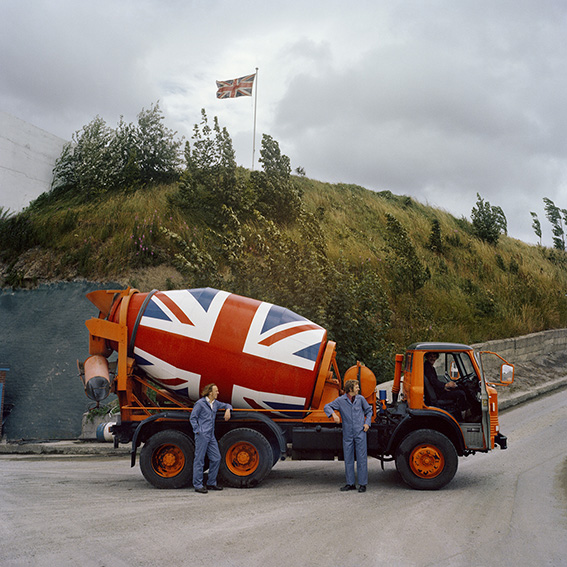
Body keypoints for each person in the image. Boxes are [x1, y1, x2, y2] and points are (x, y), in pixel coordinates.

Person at [324, 379, 372, 493]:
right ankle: (350, 484)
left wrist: (367, 423)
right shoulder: (341, 400)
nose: (358, 389)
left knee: (361, 458)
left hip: (360, 431)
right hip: (348, 433)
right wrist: (333, 414)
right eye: (356, 387)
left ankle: (362, 484)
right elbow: (327, 406)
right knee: (348, 458)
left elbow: (369, 411)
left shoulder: (360, 399)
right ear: (350, 389)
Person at [190, 383, 232, 494]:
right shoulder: (200, 404)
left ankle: (211, 483)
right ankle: (198, 485)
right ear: (210, 392)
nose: (218, 392)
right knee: (199, 459)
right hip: (202, 435)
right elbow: (193, 418)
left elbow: (227, 405)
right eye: (216, 391)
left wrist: (228, 410)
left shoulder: (215, 403)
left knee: (216, 458)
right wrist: (198, 431)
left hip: (211, 435)